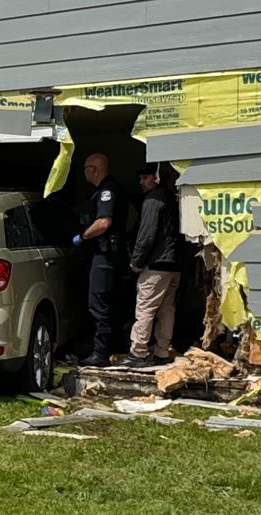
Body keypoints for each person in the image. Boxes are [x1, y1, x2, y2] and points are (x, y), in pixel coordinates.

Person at [122, 163, 181, 368]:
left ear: (156, 178)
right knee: (167, 309)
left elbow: (146, 234)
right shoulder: (173, 198)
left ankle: (138, 352)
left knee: (145, 308)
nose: (141, 182)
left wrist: (136, 261)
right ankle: (162, 350)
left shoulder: (152, 201)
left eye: (145, 178)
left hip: (155, 263)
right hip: (174, 264)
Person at [73, 153, 128, 367]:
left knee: (99, 304)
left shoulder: (107, 191)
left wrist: (84, 236)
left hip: (105, 256)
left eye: (86, 168)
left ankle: (101, 354)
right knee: (109, 304)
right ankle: (110, 348)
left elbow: (103, 223)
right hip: (110, 256)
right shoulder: (106, 190)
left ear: (94, 169)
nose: (84, 172)